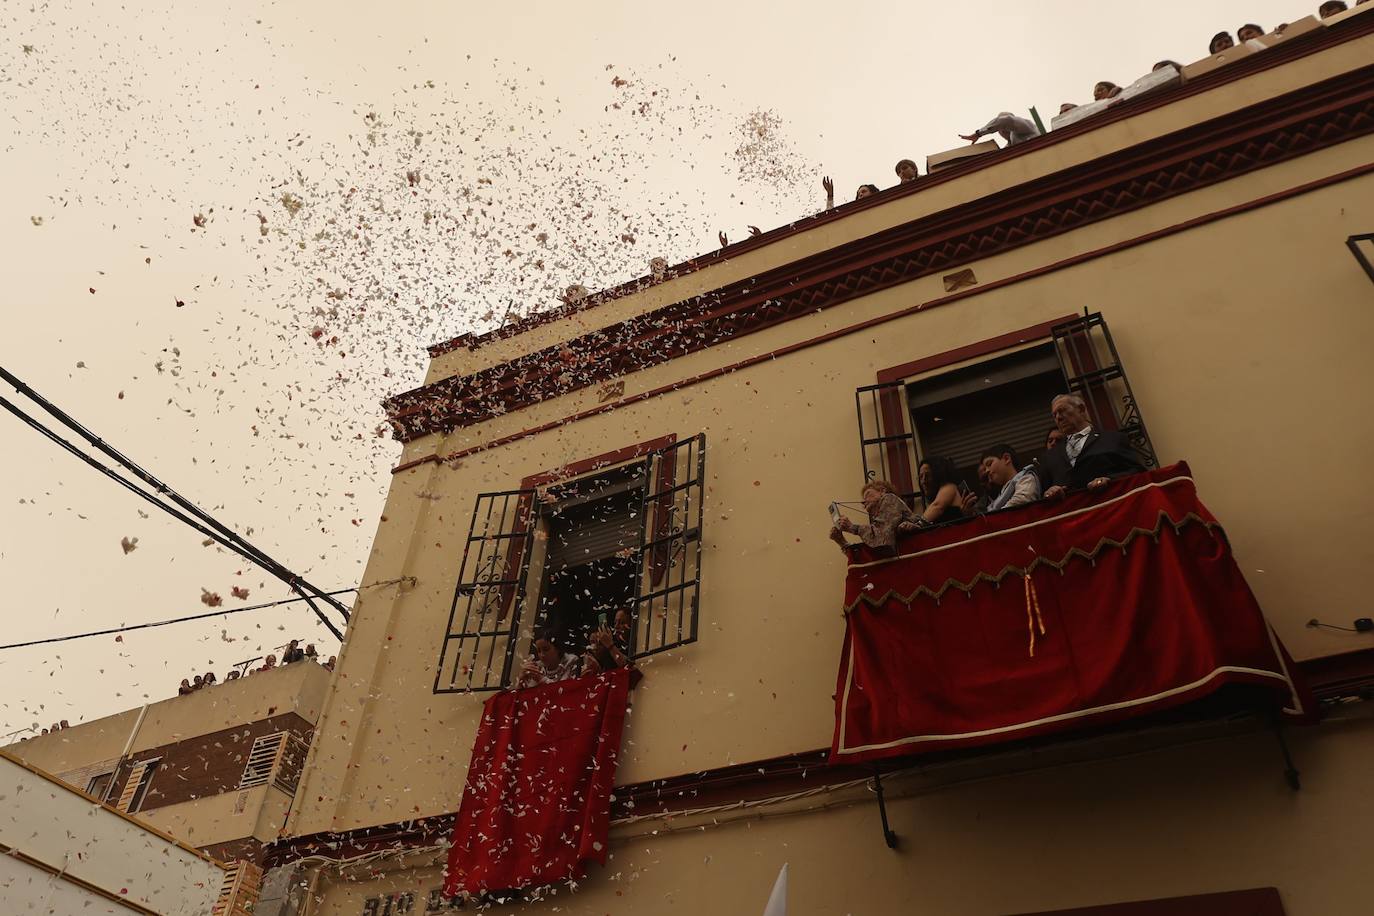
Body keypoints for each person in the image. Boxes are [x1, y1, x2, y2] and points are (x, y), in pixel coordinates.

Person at [1039, 394, 1146, 498]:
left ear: (1081, 409)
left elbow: (1137, 471)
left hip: (1110, 505)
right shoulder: (1050, 456)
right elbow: (1042, 493)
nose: (1058, 417)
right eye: (1054, 415)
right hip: (1073, 512)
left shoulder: (1112, 439)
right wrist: (1049, 492)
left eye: (1062, 410)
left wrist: (1109, 479)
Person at [831, 479, 920, 551]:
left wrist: (852, 527)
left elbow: (883, 540)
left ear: (882, 491)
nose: (863, 502)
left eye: (868, 494)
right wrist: (842, 540)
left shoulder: (889, 498)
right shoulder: (877, 524)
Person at [979, 445, 1043, 512]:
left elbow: (1021, 500)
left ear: (1007, 458)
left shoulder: (1026, 478)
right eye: (985, 468)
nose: (987, 471)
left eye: (989, 464)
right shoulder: (1000, 493)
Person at [518, 631, 582, 689]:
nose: (542, 655)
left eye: (546, 649)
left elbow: (565, 691)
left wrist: (541, 679)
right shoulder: (537, 666)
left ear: (557, 648)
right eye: (539, 651)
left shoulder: (571, 661)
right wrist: (521, 682)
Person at [917, 456, 969, 524]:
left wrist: (918, 524)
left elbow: (937, 506)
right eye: (921, 477)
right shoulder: (932, 502)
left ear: (937, 475)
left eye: (927, 475)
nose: (923, 481)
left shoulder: (949, 487)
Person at [959, 112, 1039, 147]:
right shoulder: (1010, 146)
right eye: (999, 128)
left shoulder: (1027, 126)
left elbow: (1006, 120)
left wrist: (978, 134)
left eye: (1003, 126)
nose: (1003, 130)